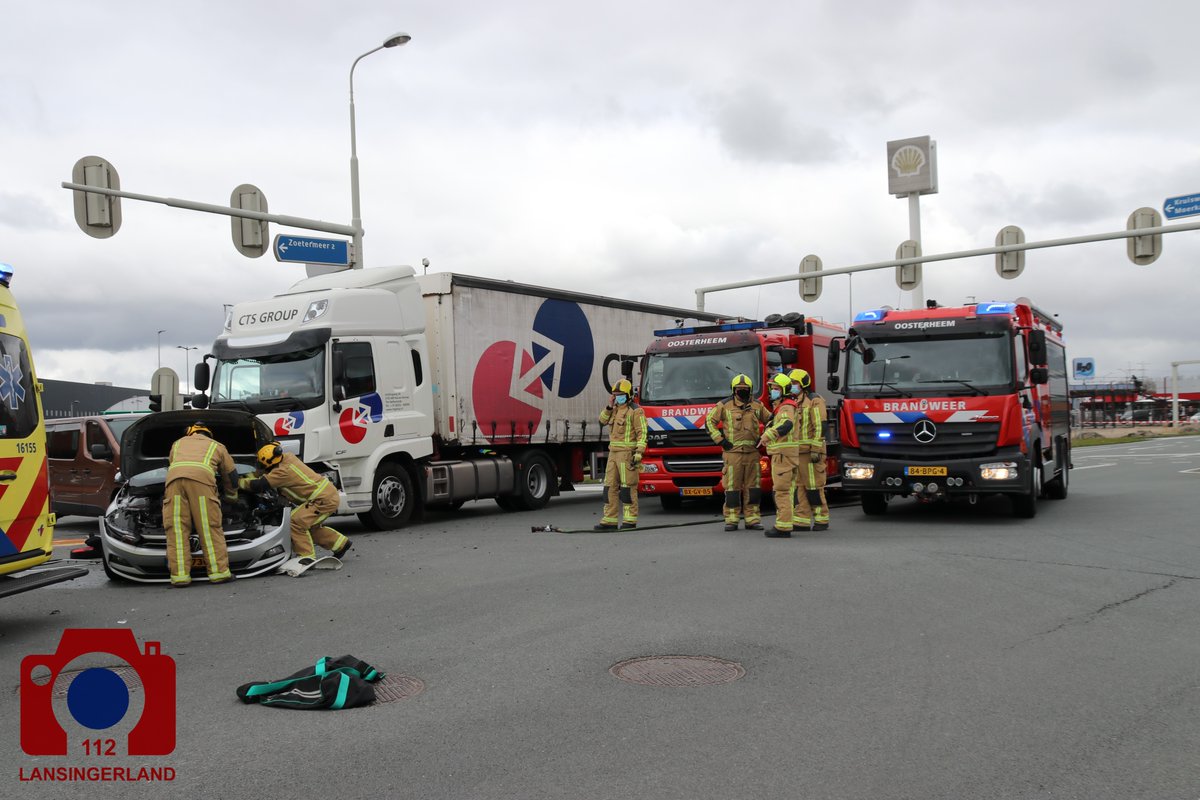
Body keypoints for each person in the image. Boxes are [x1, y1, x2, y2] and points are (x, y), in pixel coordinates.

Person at [239, 442, 352, 560]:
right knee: (309, 527)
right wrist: (246, 475)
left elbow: (258, 484)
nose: (262, 467)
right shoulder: (287, 457)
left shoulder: (282, 472)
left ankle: (306, 557)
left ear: (271, 463)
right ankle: (341, 544)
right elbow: (263, 472)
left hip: (323, 499)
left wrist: (237, 482)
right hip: (326, 495)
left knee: (295, 523)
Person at [164, 421, 238, 586]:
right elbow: (230, 474)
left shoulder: (177, 443)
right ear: (208, 434)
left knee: (176, 529)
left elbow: (171, 464)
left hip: (173, 482)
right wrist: (232, 497)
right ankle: (218, 572)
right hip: (202, 481)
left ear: (190, 432)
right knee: (208, 527)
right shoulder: (217, 446)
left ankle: (180, 576)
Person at [706, 373, 771, 531]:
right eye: (739, 389)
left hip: (752, 453)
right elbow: (709, 422)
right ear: (733, 390)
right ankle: (732, 519)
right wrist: (721, 441)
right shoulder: (724, 405)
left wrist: (764, 437)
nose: (742, 391)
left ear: (751, 390)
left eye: (745, 389)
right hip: (732, 454)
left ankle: (752, 519)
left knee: (753, 488)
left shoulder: (757, 405)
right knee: (732, 488)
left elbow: (771, 420)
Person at [595, 378, 646, 530]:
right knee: (609, 487)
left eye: (620, 394)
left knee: (627, 488)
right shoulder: (614, 410)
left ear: (628, 394)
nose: (618, 397)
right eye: (615, 394)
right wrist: (609, 406)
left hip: (627, 455)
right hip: (613, 454)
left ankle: (629, 520)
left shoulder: (636, 410)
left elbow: (642, 433)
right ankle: (609, 520)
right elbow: (601, 421)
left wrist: (638, 453)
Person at [758, 373, 800, 538]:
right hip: (786, 454)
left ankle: (782, 527)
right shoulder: (784, 406)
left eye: (775, 388)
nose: (772, 391)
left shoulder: (785, 407)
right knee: (787, 490)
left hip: (783, 455)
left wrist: (768, 435)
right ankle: (786, 523)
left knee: (781, 490)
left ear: (783, 390)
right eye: (772, 388)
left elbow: (786, 424)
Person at [788, 368, 830, 531]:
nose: (792, 386)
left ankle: (821, 518)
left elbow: (820, 425)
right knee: (800, 486)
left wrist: (816, 448)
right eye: (790, 383)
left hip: (812, 452)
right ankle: (801, 520)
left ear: (803, 384)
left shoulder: (814, 400)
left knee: (814, 486)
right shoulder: (793, 401)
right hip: (798, 452)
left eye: (794, 383)